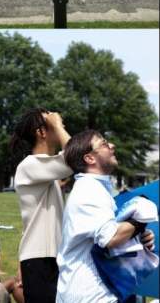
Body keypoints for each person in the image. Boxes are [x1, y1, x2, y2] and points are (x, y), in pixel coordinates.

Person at [56, 130, 155, 303]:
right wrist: (139, 220)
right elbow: (110, 237)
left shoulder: (96, 188)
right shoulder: (89, 189)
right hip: (90, 295)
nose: (112, 146)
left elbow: (106, 238)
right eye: (104, 144)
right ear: (90, 158)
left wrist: (138, 237)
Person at [11, 109, 72, 303]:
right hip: (42, 260)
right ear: (41, 132)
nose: (57, 120)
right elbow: (78, 157)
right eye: (50, 121)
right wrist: (59, 125)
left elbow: (29, 220)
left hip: (45, 257)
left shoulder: (43, 170)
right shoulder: (30, 165)